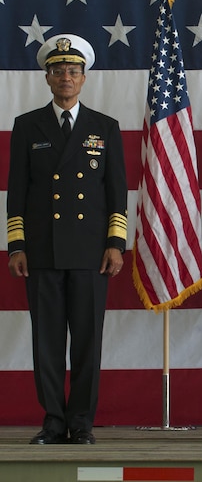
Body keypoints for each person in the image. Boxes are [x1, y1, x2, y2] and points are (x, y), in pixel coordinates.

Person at [7, 34, 128, 445]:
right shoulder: (27, 126)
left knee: (88, 344)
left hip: (90, 252)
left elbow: (117, 193)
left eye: (73, 71)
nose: (66, 77)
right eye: (58, 71)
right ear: (47, 77)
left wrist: (116, 244)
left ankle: (81, 423)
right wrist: (17, 246)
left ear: (83, 78)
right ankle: (53, 421)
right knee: (47, 343)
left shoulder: (105, 128)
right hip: (42, 250)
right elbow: (16, 192)